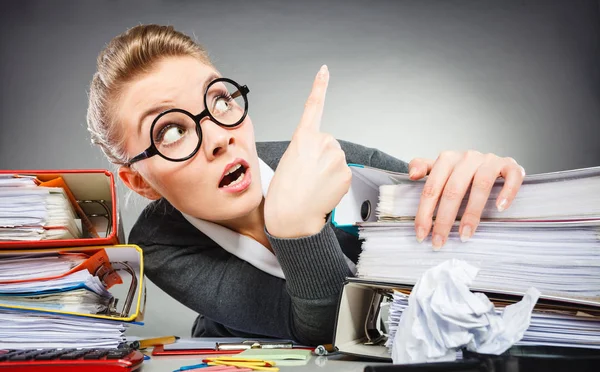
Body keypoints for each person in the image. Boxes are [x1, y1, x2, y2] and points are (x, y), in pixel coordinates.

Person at [87, 24, 525, 345]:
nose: (220, 137)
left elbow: (459, 250)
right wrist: (296, 227)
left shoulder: (343, 164)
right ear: (139, 182)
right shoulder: (159, 244)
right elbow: (322, 327)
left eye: (219, 100)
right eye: (171, 131)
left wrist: (475, 189)